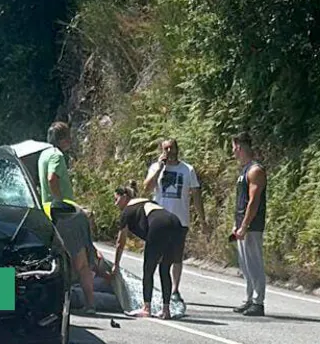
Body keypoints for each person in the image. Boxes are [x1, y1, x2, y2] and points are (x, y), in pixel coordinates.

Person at [38, 122, 96, 313]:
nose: (70, 141)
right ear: (62, 139)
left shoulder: (43, 155)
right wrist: (60, 201)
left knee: (59, 260)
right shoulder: (56, 155)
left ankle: (57, 303)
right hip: (65, 214)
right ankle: (90, 304)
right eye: (68, 137)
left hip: (49, 211)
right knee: (82, 263)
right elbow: (52, 178)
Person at [141, 138, 204, 311]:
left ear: (177, 149)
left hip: (180, 219)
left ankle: (175, 289)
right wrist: (159, 169)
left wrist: (202, 219)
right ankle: (153, 290)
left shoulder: (187, 169)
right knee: (156, 256)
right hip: (158, 219)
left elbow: (196, 194)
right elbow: (147, 188)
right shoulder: (156, 167)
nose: (169, 152)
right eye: (165, 149)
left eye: (171, 148)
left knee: (176, 256)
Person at [112, 182, 185, 320]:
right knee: (165, 269)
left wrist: (116, 264)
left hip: (159, 225)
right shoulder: (148, 202)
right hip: (175, 222)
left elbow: (120, 242)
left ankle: (146, 308)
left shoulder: (127, 211)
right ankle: (166, 310)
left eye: (116, 199)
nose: (116, 204)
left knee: (148, 269)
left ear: (125, 197)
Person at [230, 132, 268, 317]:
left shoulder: (255, 170)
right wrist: (236, 224)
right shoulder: (244, 170)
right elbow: (241, 200)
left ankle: (258, 302)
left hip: (252, 225)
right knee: (245, 264)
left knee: (254, 263)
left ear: (238, 146)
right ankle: (249, 299)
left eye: (233, 147)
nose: (232, 152)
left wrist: (245, 225)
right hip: (242, 223)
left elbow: (254, 201)